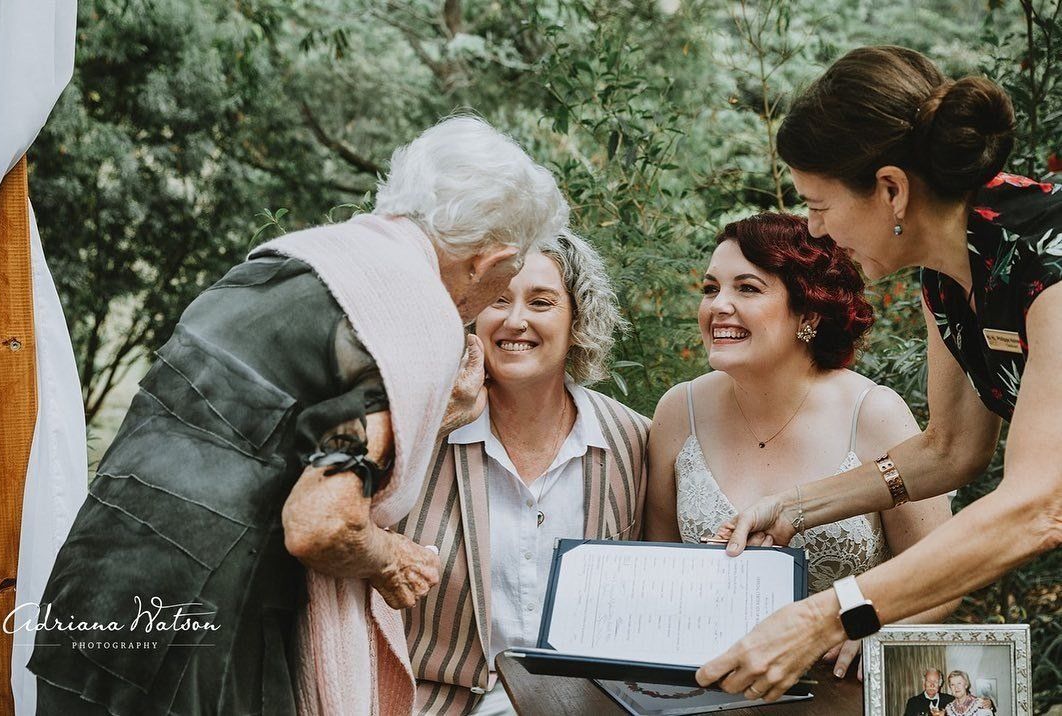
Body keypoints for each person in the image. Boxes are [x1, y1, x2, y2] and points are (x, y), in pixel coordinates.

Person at [27, 116, 568, 716]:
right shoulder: (409, 310)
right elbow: (320, 525)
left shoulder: (293, 261)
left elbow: (278, 427)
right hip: (203, 623)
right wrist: (389, 558)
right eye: (504, 280)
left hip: (91, 588)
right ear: (486, 260)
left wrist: (432, 413)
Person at [695, 45, 1062, 701]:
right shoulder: (949, 274)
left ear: (891, 188)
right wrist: (797, 507)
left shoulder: (1049, 265)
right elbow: (949, 450)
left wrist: (822, 616)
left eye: (819, 205)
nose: (813, 230)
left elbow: (1038, 506)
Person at [645, 213, 957, 682]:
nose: (718, 306)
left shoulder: (874, 415)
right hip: (711, 688)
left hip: (847, 687)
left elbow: (943, 576)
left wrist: (878, 628)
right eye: (711, 289)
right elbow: (659, 563)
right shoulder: (678, 411)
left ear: (809, 313)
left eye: (747, 289)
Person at [398, 231, 650, 715]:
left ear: (578, 320)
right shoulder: (425, 428)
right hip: (437, 704)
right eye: (498, 299)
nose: (516, 320)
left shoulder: (633, 440)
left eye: (541, 302)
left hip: (588, 704)